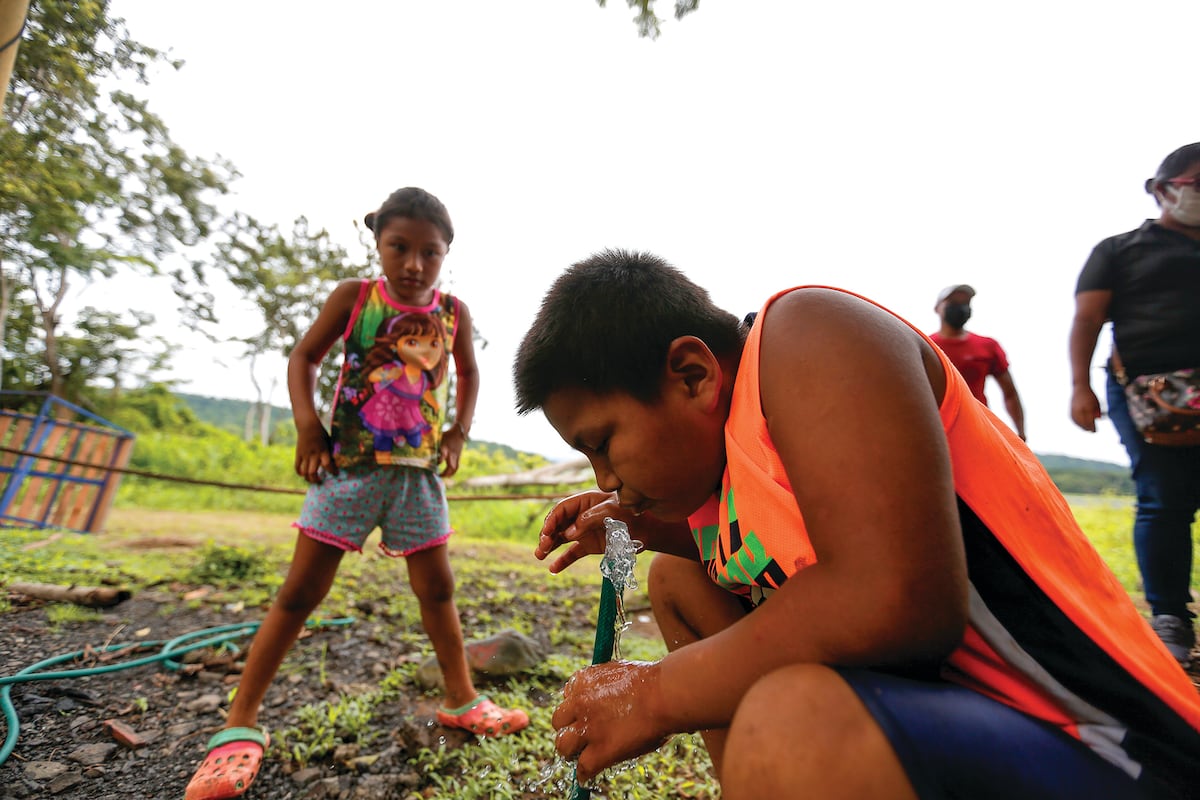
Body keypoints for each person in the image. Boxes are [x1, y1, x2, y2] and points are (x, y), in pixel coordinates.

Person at [514, 249, 1200, 800]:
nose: (603, 479)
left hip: (1113, 748)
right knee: (681, 582)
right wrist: (638, 527)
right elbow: (768, 553)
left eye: (601, 443)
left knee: (793, 717)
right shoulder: (739, 470)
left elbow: (892, 598)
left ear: (693, 374)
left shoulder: (812, 333)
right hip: (974, 735)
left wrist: (655, 692)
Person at [185, 187, 528, 800]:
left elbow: (471, 373)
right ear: (379, 243)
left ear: (446, 254)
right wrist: (307, 427)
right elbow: (303, 357)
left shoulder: (454, 312)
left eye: (430, 252)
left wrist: (457, 433)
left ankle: (461, 698)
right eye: (400, 247)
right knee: (300, 594)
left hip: (418, 475)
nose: (415, 264)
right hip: (349, 471)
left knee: (439, 590)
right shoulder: (356, 298)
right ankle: (238, 726)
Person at [1069, 142, 1200, 669]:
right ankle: (1170, 617)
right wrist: (1082, 387)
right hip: (1146, 394)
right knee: (1165, 496)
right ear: (1163, 189)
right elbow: (1087, 321)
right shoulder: (1120, 250)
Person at [930, 284, 1026, 440]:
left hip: (978, 427)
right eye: (953, 303)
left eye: (965, 304)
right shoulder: (927, 346)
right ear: (937, 308)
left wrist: (1020, 433)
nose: (960, 308)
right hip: (938, 430)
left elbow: (1010, 393)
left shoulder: (987, 346)